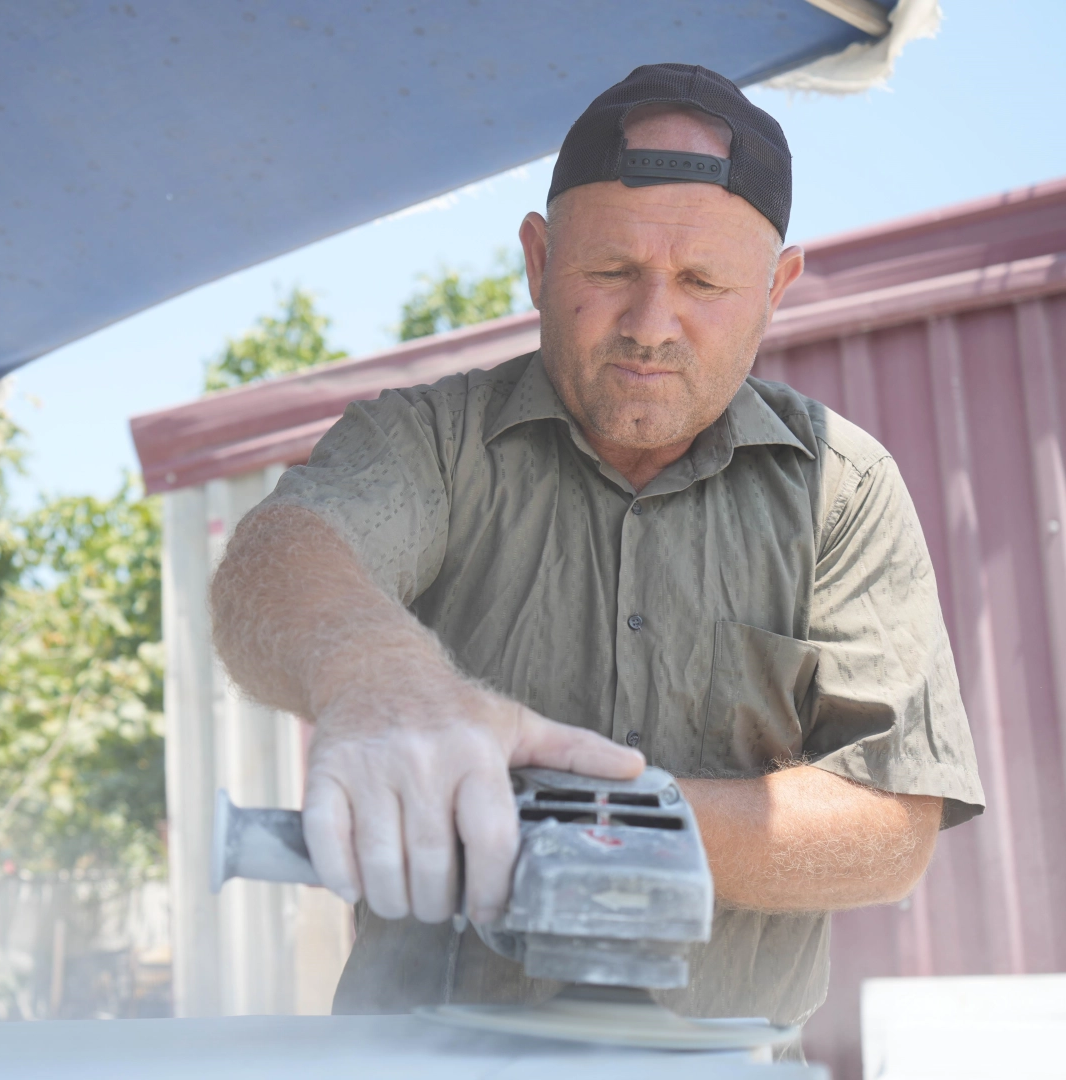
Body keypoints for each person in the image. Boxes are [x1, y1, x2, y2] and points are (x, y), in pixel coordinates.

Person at [208, 64, 985, 1027]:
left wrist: (566, 827)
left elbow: (891, 830)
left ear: (777, 287)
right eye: (610, 272)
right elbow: (275, 561)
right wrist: (375, 677)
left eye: (703, 282)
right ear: (537, 261)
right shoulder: (424, 444)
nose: (650, 325)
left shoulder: (843, 491)